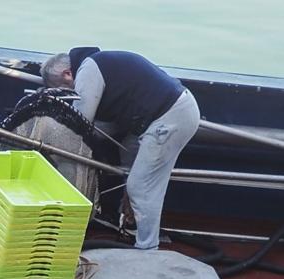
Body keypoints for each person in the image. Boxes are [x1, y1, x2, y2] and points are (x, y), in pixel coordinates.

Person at [41, 48, 200, 250]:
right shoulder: (103, 64)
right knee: (128, 156)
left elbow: (81, 121)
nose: (73, 93)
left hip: (170, 117)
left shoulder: (88, 69)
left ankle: (148, 248)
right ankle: (131, 224)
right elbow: (102, 126)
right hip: (160, 115)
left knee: (141, 186)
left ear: (67, 74)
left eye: (68, 88)